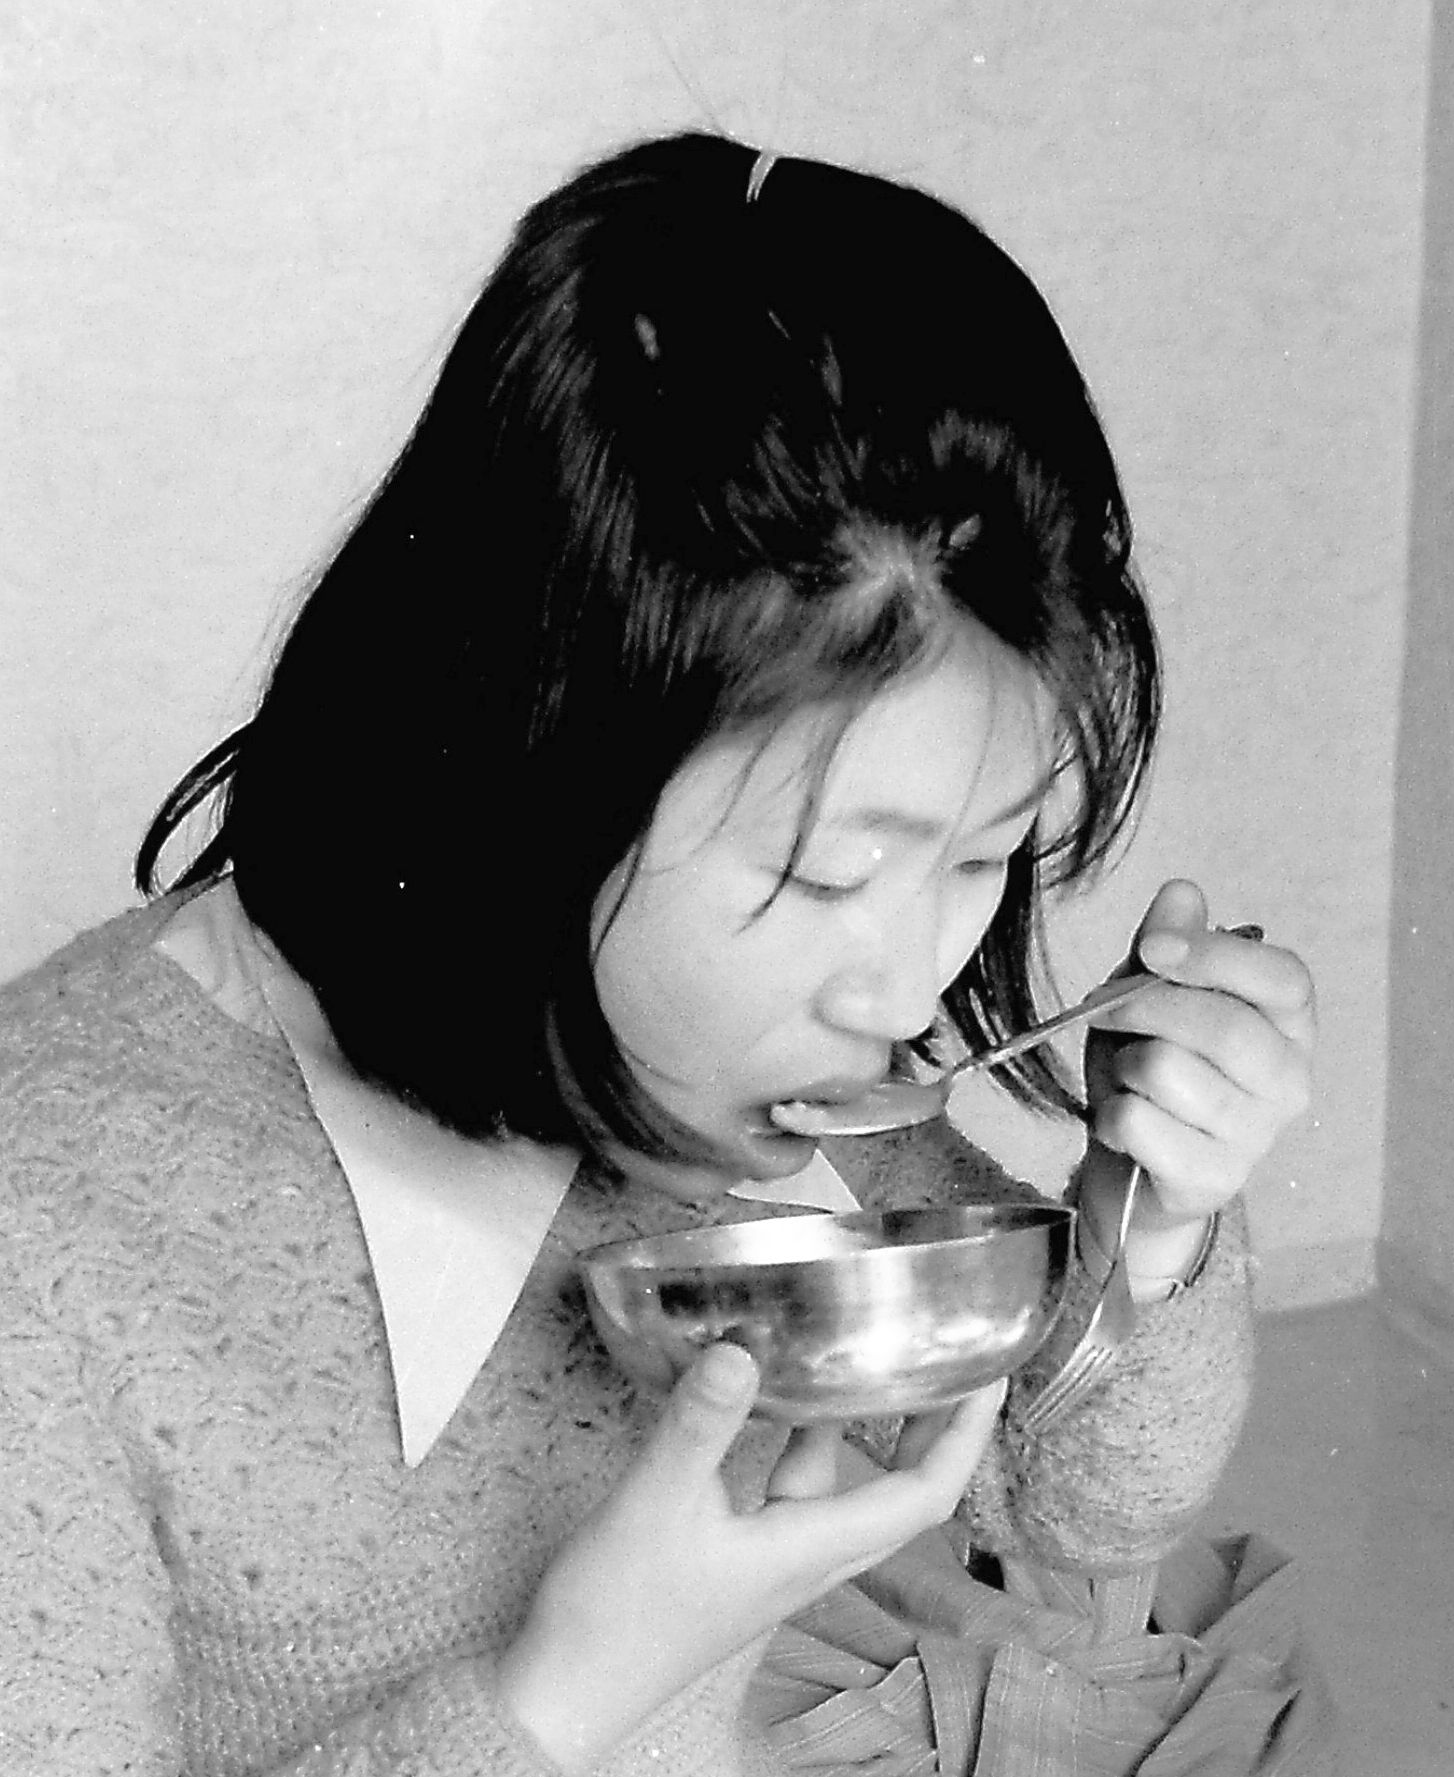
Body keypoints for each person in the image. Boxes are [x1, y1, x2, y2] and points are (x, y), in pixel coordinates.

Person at [0, 132, 1329, 1775]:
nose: (907, 991)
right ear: (524, 771)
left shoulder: (783, 1075)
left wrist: (1152, 1219)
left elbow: (1061, 1500)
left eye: (983, 856)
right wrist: (567, 1693)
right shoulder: (45, 1238)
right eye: (828, 871)